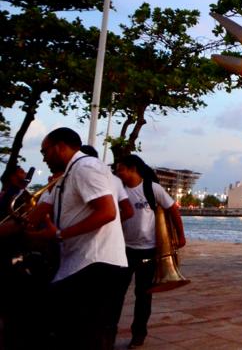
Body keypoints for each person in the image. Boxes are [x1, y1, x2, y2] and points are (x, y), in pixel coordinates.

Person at [25, 127, 129, 350]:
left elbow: (108, 212)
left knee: (79, 336)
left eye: (45, 152)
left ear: (60, 146)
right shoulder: (68, 175)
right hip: (79, 265)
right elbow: (31, 217)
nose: (43, 159)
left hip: (95, 265)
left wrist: (60, 234)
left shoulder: (86, 167)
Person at [114, 154, 186, 348]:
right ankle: (109, 332)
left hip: (148, 251)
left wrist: (181, 236)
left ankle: (139, 334)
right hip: (123, 250)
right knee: (116, 293)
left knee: (143, 295)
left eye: (120, 168)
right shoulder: (118, 190)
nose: (117, 172)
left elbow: (173, 210)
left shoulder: (152, 189)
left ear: (132, 169)